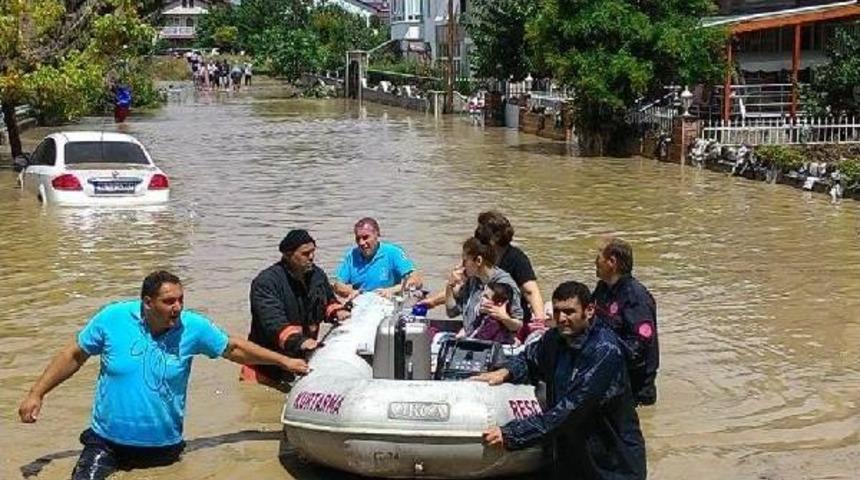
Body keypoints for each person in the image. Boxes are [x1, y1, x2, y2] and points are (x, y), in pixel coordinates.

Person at [18, 271, 309, 480]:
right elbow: (74, 355)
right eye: (169, 301)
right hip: (106, 443)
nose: (178, 307)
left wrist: (285, 361)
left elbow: (234, 349)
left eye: (181, 299)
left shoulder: (193, 327)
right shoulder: (112, 318)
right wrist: (36, 393)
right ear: (147, 303)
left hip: (163, 449)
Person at [472, 281, 646, 480]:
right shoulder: (554, 339)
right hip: (573, 455)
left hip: (613, 462)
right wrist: (507, 371)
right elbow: (530, 358)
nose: (562, 319)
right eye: (557, 311)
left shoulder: (605, 351)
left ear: (589, 311)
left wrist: (513, 434)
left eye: (569, 312)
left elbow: (572, 408)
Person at [242, 229, 351, 388]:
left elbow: (327, 301)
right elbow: (273, 325)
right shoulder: (266, 283)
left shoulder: (317, 276)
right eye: (305, 254)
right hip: (263, 372)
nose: (311, 257)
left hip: (298, 366)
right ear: (288, 255)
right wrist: (302, 342)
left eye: (313, 252)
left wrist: (337, 312)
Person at [422, 211, 547, 339]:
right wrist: (433, 301)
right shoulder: (475, 265)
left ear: (496, 237)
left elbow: (530, 291)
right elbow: (460, 290)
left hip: (508, 327)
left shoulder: (516, 259)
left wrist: (539, 323)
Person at [592, 237, 659, 406]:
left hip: (633, 391)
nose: (595, 262)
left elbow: (640, 346)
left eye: (599, 257)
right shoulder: (603, 289)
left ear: (612, 262)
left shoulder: (636, 297)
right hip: (608, 381)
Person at [446, 237, 523, 338]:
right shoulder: (471, 281)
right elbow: (452, 312)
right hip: (471, 339)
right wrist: (450, 286)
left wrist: (503, 317)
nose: (461, 266)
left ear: (478, 260)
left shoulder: (505, 284)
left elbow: (518, 326)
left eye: (465, 261)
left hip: (496, 344)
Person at [332, 217, 423, 299]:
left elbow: (417, 280)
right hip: (362, 301)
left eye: (365, 237)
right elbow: (338, 285)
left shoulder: (393, 252)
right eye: (358, 239)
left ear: (377, 234)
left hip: (389, 302)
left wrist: (392, 290)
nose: (361, 243)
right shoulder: (352, 256)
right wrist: (351, 292)